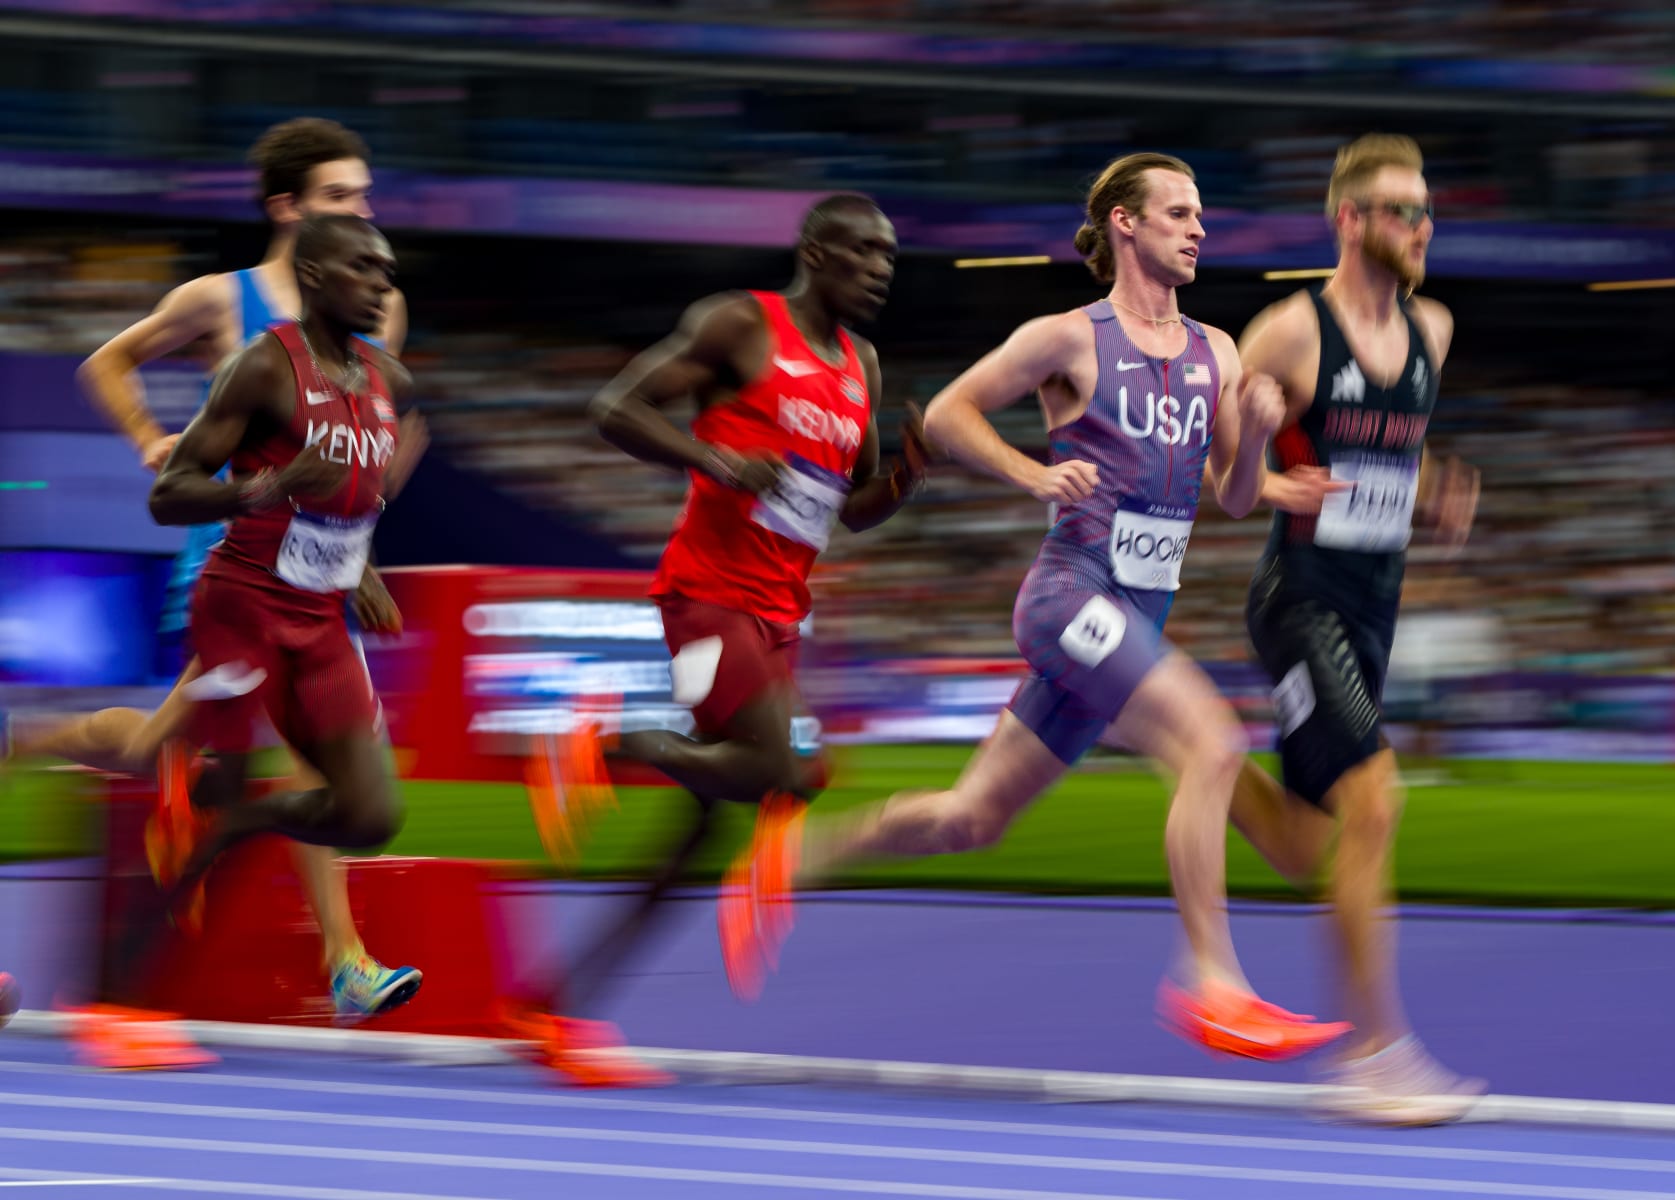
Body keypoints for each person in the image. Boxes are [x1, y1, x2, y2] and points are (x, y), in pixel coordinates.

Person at [736, 154, 1352, 1062]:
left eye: (1201, 215)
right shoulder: (1068, 338)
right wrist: (1032, 472)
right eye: (1179, 213)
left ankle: (790, 860)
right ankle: (1212, 984)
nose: (1199, 229)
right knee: (1213, 744)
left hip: (1132, 618)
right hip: (1070, 598)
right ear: (1125, 226)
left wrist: (1258, 430)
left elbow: (1229, 494)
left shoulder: (1217, 351)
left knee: (969, 820)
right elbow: (948, 413)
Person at [5, 120, 421, 1049]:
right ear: (288, 208)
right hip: (231, 559)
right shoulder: (222, 301)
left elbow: (364, 448)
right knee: (181, 752)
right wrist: (152, 440)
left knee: (322, 761)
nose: (362, 212)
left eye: (364, 197)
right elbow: (104, 362)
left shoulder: (373, 307)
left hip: (319, 574)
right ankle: (39, 743)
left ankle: (346, 962)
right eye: (341, 197)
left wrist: (361, 558)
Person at [513, 193, 928, 1078]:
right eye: (863, 251)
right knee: (782, 770)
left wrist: (904, 477)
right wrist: (715, 459)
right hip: (706, 597)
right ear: (816, 251)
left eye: (890, 255)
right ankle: (600, 737)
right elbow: (615, 407)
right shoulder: (740, 325)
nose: (882, 268)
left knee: (703, 831)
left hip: (778, 614)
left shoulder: (864, 366)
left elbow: (846, 511)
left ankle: (552, 1010)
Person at [1211, 133, 1484, 1123]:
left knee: (1297, 844)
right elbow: (1227, 485)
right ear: (1351, 221)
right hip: (1300, 600)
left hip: (1377, 608)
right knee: (1376, 802)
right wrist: (1264, 453)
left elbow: (1383, 467)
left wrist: (1429, 503)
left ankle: (1192, 754)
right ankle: (1376, 1053)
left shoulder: (1435, 333)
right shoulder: (1287, 332)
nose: (1423, 227)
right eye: (1404, 211)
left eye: (1426, 210)